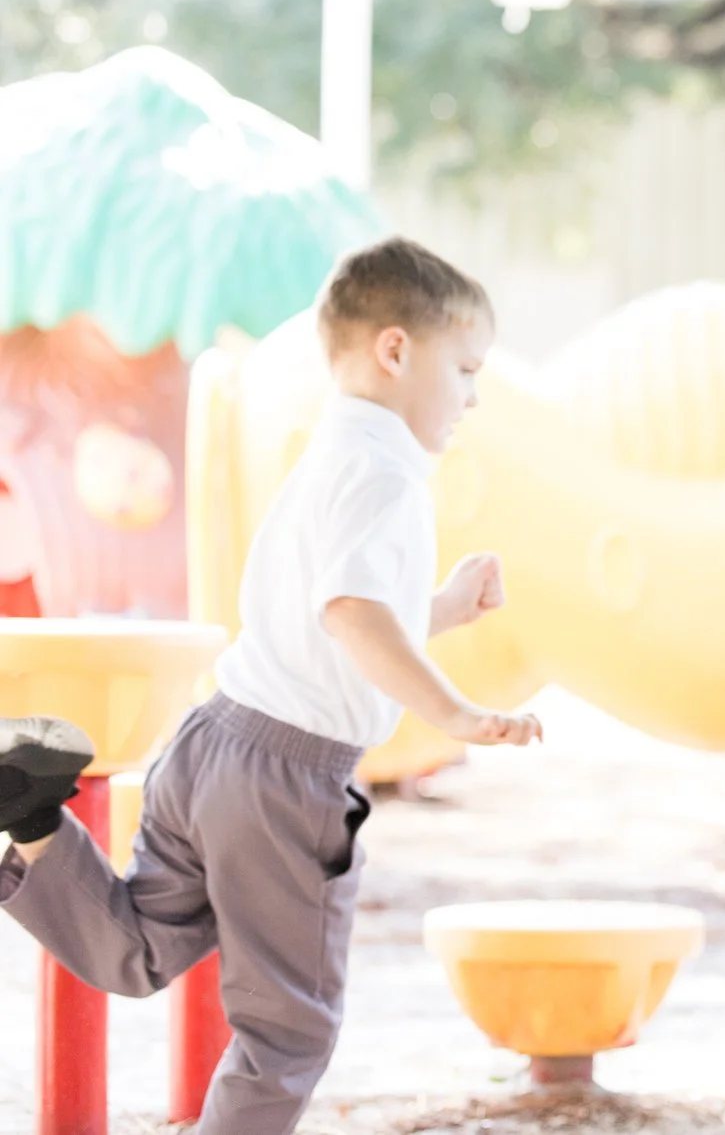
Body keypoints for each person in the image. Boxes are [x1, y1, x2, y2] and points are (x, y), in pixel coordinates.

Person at [0, 235, 543, 1134]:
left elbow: (332, 618)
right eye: (467, 368)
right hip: (287, 782)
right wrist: (452, 708)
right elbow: (353, 617)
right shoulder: (389, 474)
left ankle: (33, 821)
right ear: (397, 350)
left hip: (214, 740)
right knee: (287, 1032)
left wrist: (438, 605)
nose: (473, 396)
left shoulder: (331, 453)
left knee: (137, 948)